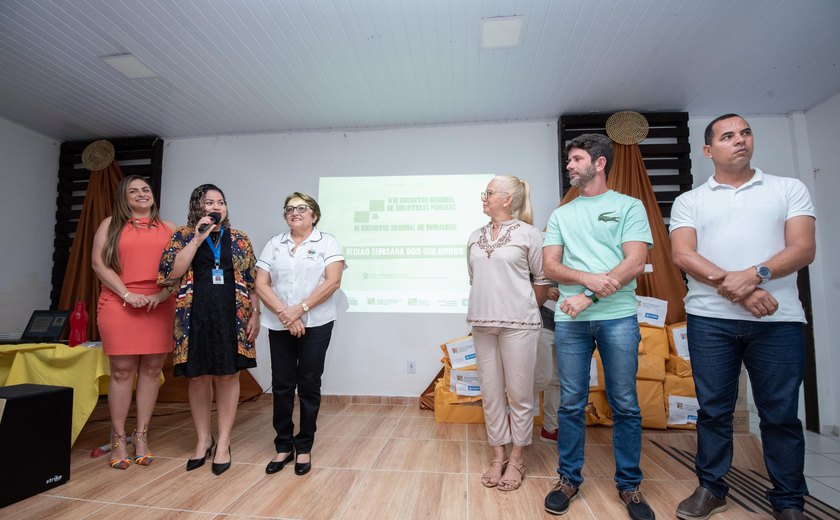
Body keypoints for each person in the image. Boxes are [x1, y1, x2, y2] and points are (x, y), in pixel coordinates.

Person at [671, 114, 816, 520]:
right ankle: (711, 487)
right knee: (714, 410)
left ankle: (789, 500)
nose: (740, 141)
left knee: (780, 414)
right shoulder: (691, 200)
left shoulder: (788, 189)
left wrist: (755, 276)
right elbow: (683, 255)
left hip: (779, 319)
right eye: (728, 136)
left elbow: (803, 248)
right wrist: (738, 290)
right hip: (709, 320)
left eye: (746, 133)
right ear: (708, 150)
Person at [542, 133, 655, 520]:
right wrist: (589, 279)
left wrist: (588, 294)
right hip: (571, 320)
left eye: (576, 159)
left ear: (599, 163)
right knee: (571, 403)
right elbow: (551, 267)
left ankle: (629, 486)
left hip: (617, 317)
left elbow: (635, 262)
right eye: (569, 160)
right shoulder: (561, 214)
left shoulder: (629, 206)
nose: (570, 166)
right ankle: (568, 479)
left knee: (625, 403)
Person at [157, 184, 260, 475]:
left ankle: (224, 442)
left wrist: (255, 314)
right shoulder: (182, 235)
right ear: (197, 207)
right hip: (194, 317)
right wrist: (197, 238)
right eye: (209, 202)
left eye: (221, 202)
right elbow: (169, 275)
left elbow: (253, 281)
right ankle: (203, 439)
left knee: (228, 376)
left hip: (232, 316)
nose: (216, 207)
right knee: (197, 378)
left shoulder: (239, 239)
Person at [467, 174, 550, 492]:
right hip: (482, 323)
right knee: (490, 394)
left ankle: (517, 457)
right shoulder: (475, 236)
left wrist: (525, 309)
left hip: (521, 326)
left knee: (519, 395)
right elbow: (475, 277)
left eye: (489, 193)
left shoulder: (530, 234)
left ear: (508, 199)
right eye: (485, 193)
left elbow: (542, 280)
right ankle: (497, 455)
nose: (484, 198)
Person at [254, 192, 345, 476]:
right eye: (289, 209)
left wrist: (301, 309)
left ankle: (303, 446)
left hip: (316, 322)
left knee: (308, 384)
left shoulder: (327, 242)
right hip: (280, 322)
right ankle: (283, 445)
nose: (295, 212)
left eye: (302, 208)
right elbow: (261, 283)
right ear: (285, 216)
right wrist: (286, 313)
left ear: (314, 215)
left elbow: (333, 281)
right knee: (281, 385)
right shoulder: (274, 244)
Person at [92, 175, 177, 469]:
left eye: (146, 189)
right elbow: (99, 264)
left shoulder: (170, 229)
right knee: (122, 372)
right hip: (119, 301)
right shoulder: (110, 225)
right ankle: (118, 438)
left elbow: (182, 267)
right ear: (123, 198)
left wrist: (164, 292)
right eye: (133, 191)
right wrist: (127, 294)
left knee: (152, 370)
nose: (141, 194)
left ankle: (141, 436)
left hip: (160, 303)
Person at [535, 285, 561, 443]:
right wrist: (545, 291)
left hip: (570, 322)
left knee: (557, 379)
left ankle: (550, 428)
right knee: (540, 377)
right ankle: (512, 419)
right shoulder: (542, 259)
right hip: (542, 320)